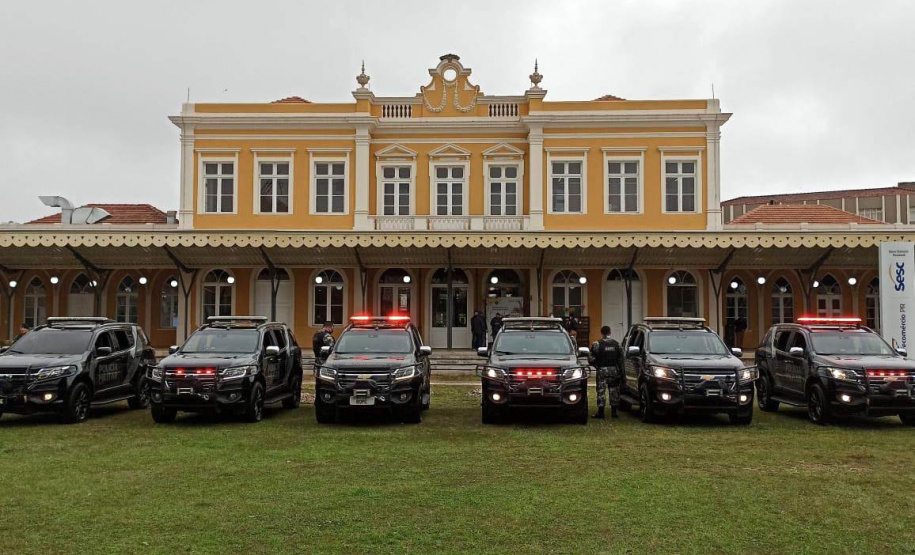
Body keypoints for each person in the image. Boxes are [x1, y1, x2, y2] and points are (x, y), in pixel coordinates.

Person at [590, 325, 623, 419]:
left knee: (601, 390)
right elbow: (621, 357)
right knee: (614, 390)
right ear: (610, 332)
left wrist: (596, 365)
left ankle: (601, 412)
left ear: (601, 333)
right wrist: (618, 367)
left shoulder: (597, 344)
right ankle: (614, 412)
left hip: (602, 370)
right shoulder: (616, 344)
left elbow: (591, 357)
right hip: (614, 370)